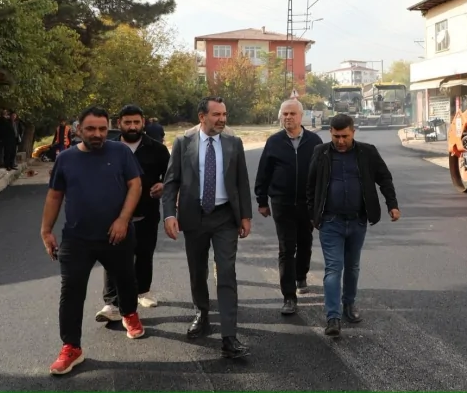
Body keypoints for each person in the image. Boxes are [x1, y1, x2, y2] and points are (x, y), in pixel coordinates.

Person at [40, 106, 146, 376]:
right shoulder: (65, 159)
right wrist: (46, 230)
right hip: (77, 239)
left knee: (125, 279)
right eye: (90, 129)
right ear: (79, 130)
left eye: (101, 128)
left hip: (117, 234)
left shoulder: (120, 152)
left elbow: (136, 185)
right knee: (71, 292)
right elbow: (54, 195)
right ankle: (71, 347)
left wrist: (123, 219)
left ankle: (129, 313)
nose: (97, 134)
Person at [162, 96, 253, 359]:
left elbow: (241, 182)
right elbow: (171, 182)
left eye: (225, 114)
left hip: (225, 217)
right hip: (194, 217)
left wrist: (245, 216)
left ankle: (229, 336)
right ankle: (202, 313)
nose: (222, 119)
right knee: (197, 270)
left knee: (226, 272)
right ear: (202, 116)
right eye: (216, 115)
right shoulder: (183, 142)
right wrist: (169, 214)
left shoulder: (234, 142)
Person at [306, 113, 400, 337]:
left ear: (353, 132)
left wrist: (392, 205)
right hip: (330, 222)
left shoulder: (367, 152)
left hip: (357, 221)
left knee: (353, 266)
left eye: (345, 136)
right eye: (336, 136)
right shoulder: (321, 153)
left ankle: (349, 304)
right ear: (330, 132)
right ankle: (333, 317)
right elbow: (310, 186)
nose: (340, 141)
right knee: (333, 268)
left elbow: (384, 178)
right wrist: (313, 214)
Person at [95, 105, 171, 324]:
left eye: (136, 122)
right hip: (113, 214)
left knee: (144, 252)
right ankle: (111, 303)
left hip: (146, 212)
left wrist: (162, 185)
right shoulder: (107, 148)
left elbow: (171, 175)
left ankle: (143, 292)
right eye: (127, 122)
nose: (132, 126)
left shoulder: (156, 149)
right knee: (112, 257)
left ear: (143, 122)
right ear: (119, 123)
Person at [254, 99, 323, 315]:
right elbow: (263, 172)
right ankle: (289, 296)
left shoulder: (315, 141)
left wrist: (321, 204)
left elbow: (322, 175)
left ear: (301, 116)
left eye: (292, 113)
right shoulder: (274, 142)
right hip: (282, 203)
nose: (288, 117)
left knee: (305, 242)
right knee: (286, 248)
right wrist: (262, 200)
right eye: (284, 114)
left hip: (307, 203)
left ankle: (301, 275)